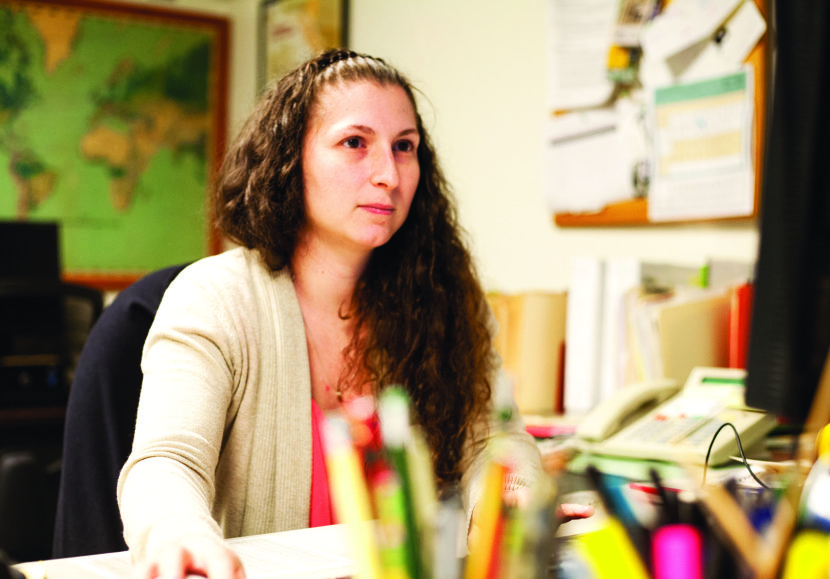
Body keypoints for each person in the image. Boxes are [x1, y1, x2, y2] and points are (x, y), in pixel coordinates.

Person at [117, 49, 584, 579]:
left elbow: (494, 441)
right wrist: (181, 535)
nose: (388, 173)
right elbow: (166, 461)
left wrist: (510, 494)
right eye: (355, 143)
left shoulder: (444, 298)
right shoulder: (214, 297)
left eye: (404, 147)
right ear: (290, 159)